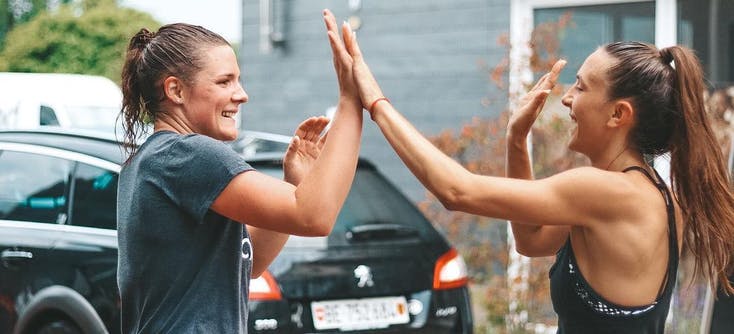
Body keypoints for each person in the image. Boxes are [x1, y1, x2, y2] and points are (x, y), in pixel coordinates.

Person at [330, 14, 734, 333]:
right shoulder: (656, 194)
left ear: (618, 114)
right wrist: (515, 139)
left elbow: (457, 191)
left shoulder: (601, 191)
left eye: (581, 86)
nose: (567, 99)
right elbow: (531, 239)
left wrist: (375, 100)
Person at [116, 10, 361, 333]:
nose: (241, 94)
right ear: (175, 91)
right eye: (224, 82)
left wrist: (295, 183)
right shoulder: (188, 155)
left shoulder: (150, 161)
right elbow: (315, 216)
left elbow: (251, 261)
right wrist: (351, 100)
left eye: (238, 79)